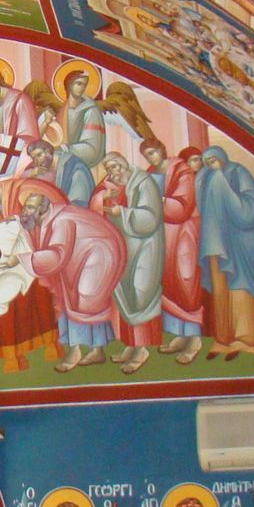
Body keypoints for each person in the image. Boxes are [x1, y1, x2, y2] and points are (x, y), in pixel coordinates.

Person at [16, 188, 126, 372]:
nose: (24, 211)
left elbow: (56, 256)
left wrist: (22, 259)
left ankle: (77, 351)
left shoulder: (61, 221)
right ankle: (96, 351)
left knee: (85, 301)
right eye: (25, 207)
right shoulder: (50, 217)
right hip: (82, 257)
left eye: (29, 208)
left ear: (42, 210)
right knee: (72, 301)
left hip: (99, 256)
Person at [93, 153, 165, 374]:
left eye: (114, 167)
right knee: (124, 296)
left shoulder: (144, 183)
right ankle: (130, 345)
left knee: (140, 293)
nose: (112, 172)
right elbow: (95, 200)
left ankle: (142, 348)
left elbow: (151, 217)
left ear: (123, 165)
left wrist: (121, 212)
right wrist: (104, 197)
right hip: (125, 247)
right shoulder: (114, 182)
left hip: (145, 248)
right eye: (109, 168)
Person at [195, 147, 254, 356]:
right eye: (206, 161)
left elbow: (250, 211)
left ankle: (247, 338)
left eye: (213, 159)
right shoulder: (208, 178)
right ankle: (223, 338)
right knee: (220, 290)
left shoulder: (238, 172)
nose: (211, 164)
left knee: (240, 288)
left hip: (239, 243)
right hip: (216, 243)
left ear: (223, 157)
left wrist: (223, 188)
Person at [146, 139, 204, 361]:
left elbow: (183, 205)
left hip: (185, 232)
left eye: (153, 152)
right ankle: (180, 334)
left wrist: (156, 200)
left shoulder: (182, 171)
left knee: (186, 279)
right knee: (167, 281)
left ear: (162, 150)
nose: (151, 157)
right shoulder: (150, 173)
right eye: (147, 154)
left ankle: (194, 337)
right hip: (162, 235)